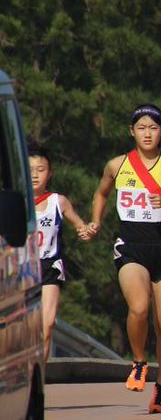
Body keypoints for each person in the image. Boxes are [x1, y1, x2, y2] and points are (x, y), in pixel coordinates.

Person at [82, 104, 161, 414]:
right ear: (132, 131)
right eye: (141, 128)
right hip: (130, 247)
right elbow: (101, 193)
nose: (147, 133)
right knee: (137, 306)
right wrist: (95, 220)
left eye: (153, 128)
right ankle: (138, 361)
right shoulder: (117, 165)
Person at [29, 147, 88, 359]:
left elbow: (80, 226)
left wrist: (87, 230)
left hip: (49, 267)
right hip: (21, 269)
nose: (34, 175)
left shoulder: (58, 201)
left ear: (50, 173)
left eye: (40, 169)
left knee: (45, 326)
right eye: (30, 170)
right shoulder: (15, 202)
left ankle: (41, 377)